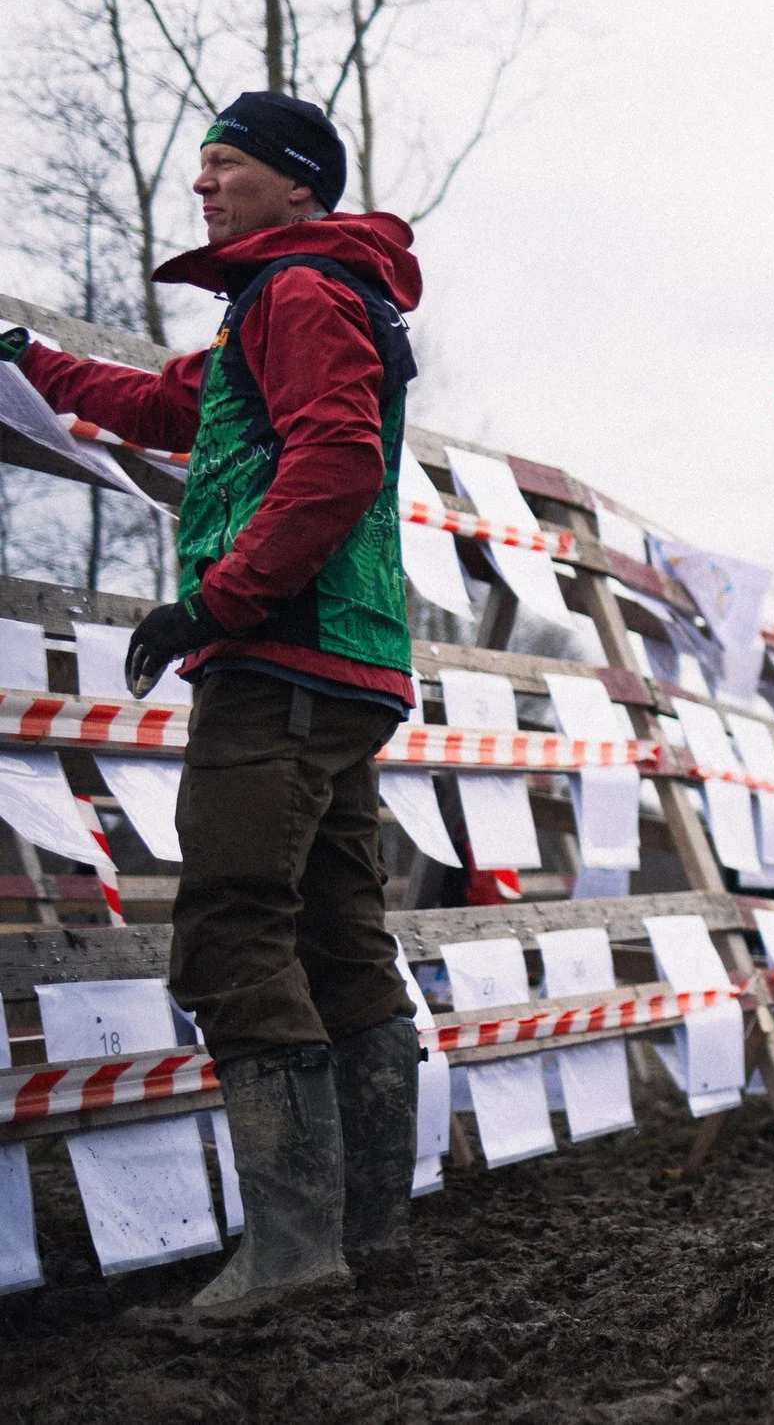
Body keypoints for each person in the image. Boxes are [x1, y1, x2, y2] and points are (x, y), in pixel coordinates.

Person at [0, 92, 424, 1309]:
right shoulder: (302, 298)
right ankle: (368, 1230)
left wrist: (218, 602)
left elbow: (334, 457)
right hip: (345, 660)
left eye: (225, 164)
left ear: (297, 184)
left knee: (234, 925)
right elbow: (170, 404)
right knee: (341, 933)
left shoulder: (297, 292)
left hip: (282, 654)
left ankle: (294, 1249)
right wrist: (36, 362)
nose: (203, 184)